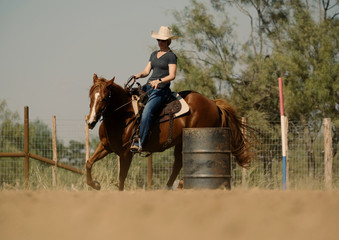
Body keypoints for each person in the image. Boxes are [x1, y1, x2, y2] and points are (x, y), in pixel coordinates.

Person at [130, 26, 178, 153]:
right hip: (148, 87)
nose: (159, 42)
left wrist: (159, 81)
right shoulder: (153, 54)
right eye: (158, 40)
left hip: (161, 90)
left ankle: (141, 142)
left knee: (148, 111)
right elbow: (147, 71)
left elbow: (172, 75)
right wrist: (138, 75)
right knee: (129, 101)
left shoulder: (171, 56)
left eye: (162, 40)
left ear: (168, 41)